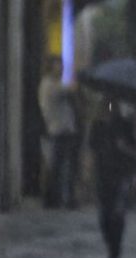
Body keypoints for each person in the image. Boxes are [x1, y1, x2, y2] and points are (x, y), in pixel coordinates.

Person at [89, 101, 136, 258]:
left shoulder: (125, 125)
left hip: (121, 174)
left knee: (118, 213)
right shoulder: (97, 126)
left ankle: (115, 251)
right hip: (102, 174)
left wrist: (125, 147)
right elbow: (91, 149)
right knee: (104, 214)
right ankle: (110, 243)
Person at [38, 57, 79, 209]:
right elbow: (71, 89)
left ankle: (58, 199)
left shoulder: (53, 84)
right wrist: (76, 77)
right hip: (58, 131)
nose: (61, 69)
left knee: (60, 167)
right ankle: (54, 200)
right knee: (58, 167)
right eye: (58, 66)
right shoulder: (49, 85)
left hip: (63, 130)